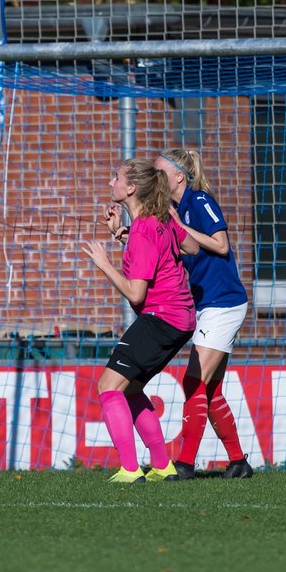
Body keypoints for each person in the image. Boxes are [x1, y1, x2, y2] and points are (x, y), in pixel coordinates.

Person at [83, 158, 199, 483]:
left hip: (161, 317)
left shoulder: (145, 229)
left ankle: (131, 470)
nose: (111, 183)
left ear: (131, 188)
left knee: (108, 386)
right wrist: (127, 235)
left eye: (115, 177)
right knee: (131, 388)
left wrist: (105, 264)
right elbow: (189, 246)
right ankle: (162, 466)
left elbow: (135, 294)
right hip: (181, 318)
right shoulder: (154, 222)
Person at [149, 148, 253, 480]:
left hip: (224, 301)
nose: (156, 178)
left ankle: (185, 464)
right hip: (207, 304)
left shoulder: (200, 200)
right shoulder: (175, 210)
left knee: (193, 380)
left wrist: (181, 227)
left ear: (180, 176)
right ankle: (238, 462)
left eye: (161, 172)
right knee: (209, 388)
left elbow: (221, 245)